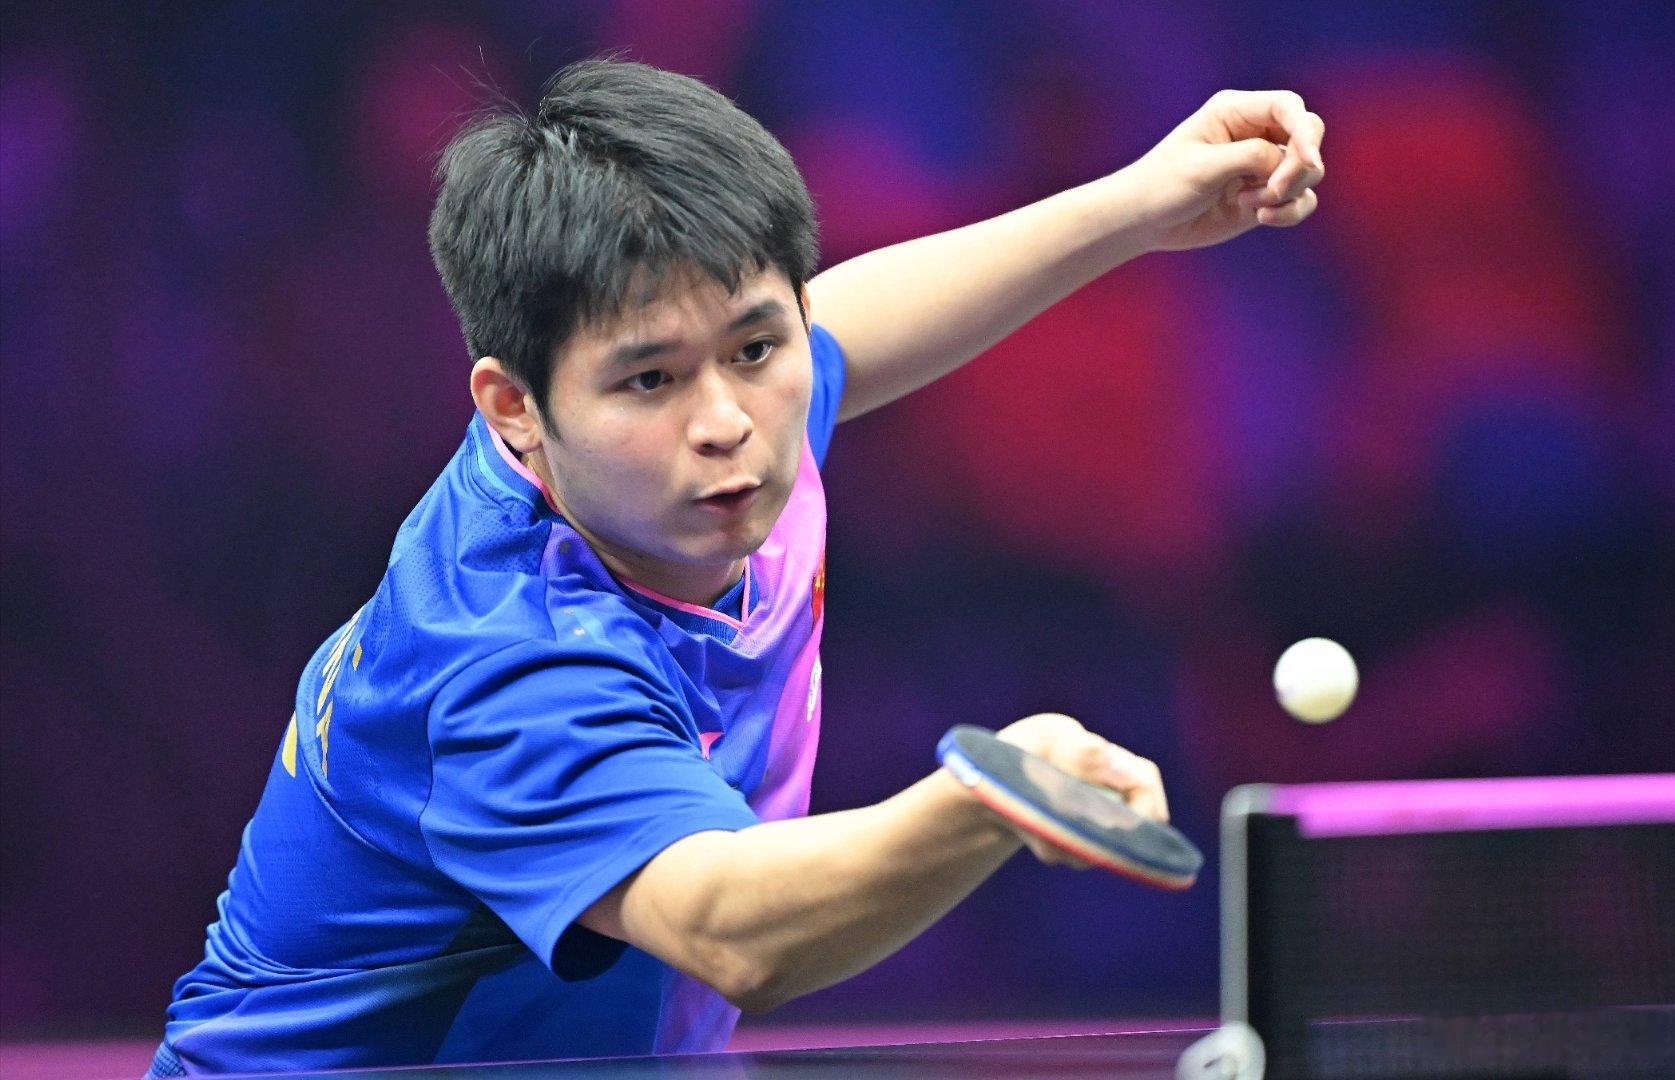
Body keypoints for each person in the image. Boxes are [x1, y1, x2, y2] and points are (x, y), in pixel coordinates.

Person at [147, 58, 1323, 1076]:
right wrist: (988, 799)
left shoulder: (693, 445)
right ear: (514, 407)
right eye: (650, 378)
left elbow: (841, 321)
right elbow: (730, 928)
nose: (728, 423)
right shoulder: (508, 660)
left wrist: (1138, 203)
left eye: (755, 348)